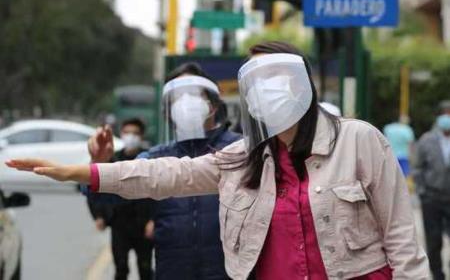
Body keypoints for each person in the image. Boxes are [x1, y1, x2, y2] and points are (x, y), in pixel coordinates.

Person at [7, 42, 429, 280]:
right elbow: (165, 174)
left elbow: (401, 236)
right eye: (257, 84)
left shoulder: (359, 140)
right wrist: (84, 172)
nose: (268, 92)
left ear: (302, 85)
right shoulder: (243, 158)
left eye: (276, 80)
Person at [89, 62, 239, 280]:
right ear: (168, 110)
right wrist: (99, 164)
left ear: (213, 104)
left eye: (193, 93)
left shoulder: (239, 151)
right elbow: (113, 194)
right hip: (172, 271)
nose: (185, 102)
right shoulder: (156, 157)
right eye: (177, 97)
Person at [87, 118, 154, 280]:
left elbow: (161, 191)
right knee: (121, 269)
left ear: (142, 136)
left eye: (135, 133)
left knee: (145, 270)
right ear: (121, 134)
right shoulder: (112, 159)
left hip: (143, 226)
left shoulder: (150, 160)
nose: (131, 136)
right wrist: (98, 216)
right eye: (127, 132)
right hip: (119, 225)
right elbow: (94, 190)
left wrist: (153, 220)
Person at [413, 100, 450, 280]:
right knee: (434, 241)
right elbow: (418, 167)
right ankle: (438, 275)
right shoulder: (427, 140)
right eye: (445, 114)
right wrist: (422, 191)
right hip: (432, 198)